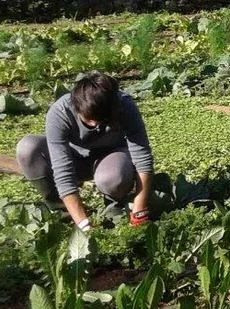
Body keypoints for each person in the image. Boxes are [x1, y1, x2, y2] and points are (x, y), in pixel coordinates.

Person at [16, 72, 155, 231]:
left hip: (113, 158)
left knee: (113, 178)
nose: (95, 124)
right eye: (88, 119)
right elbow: (62, 172)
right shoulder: (60, 112)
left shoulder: (124, 104)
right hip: (75, 159)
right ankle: (66, 214)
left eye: (101, 119)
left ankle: (115, 210)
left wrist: (139, 208)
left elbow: (142, 157)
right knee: (27, 148)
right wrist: (84, 226)